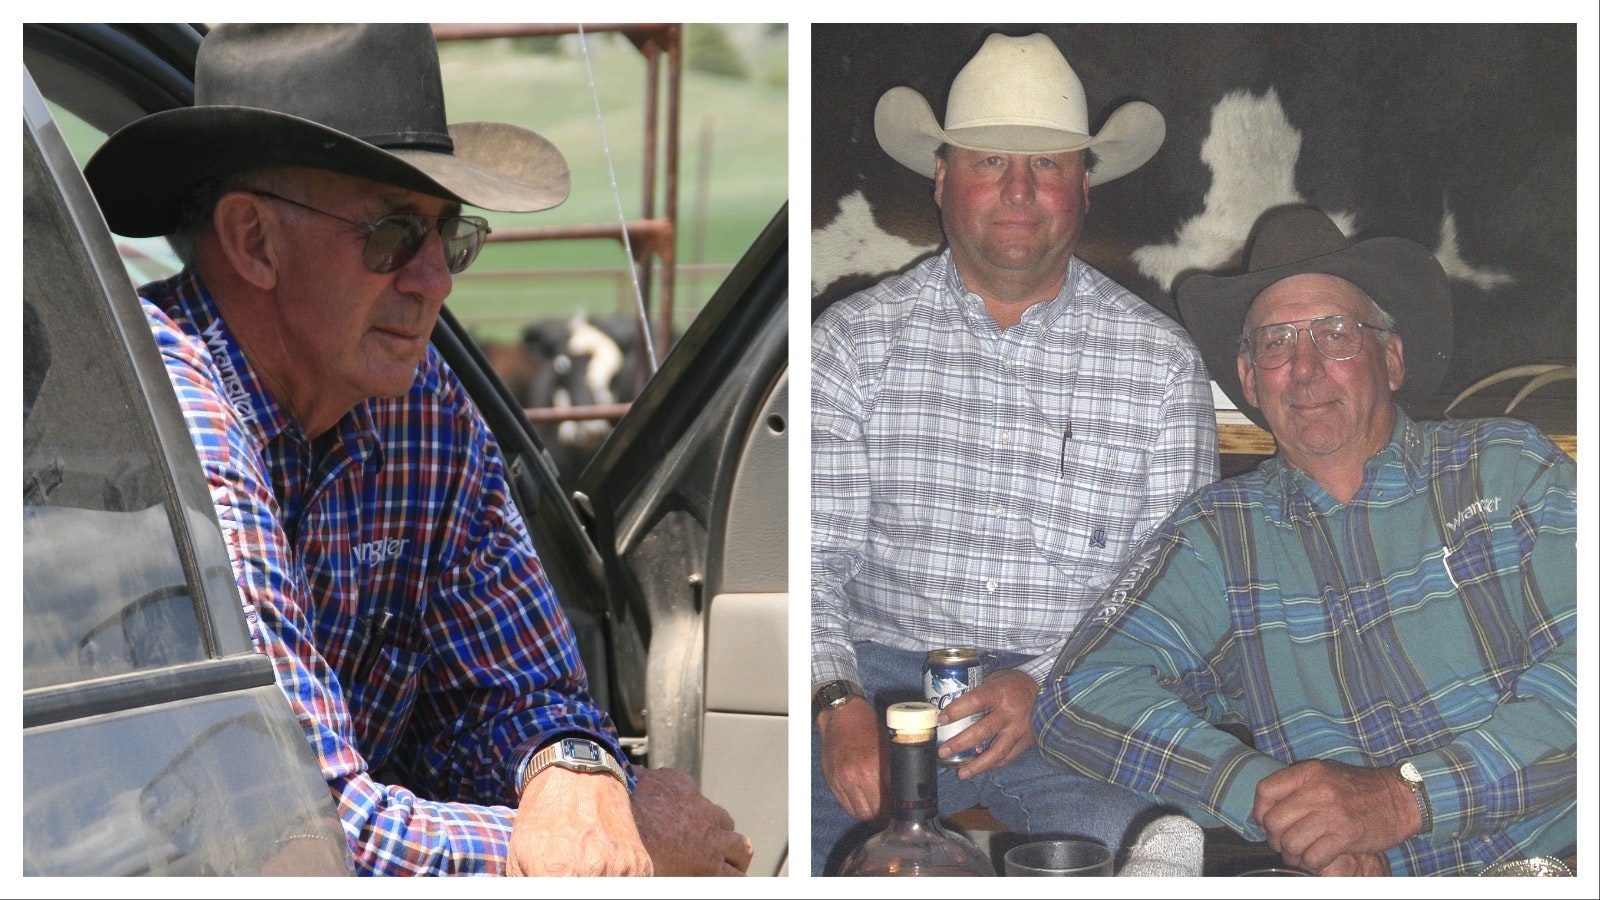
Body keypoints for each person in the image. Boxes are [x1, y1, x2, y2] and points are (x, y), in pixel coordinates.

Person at [82, 24, 751, 877]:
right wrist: (619, 843)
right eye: (394, 233)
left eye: (449, 235)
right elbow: (298, 832)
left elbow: (524, 692)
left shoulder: (418, 404)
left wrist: (572, 771)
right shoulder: (173, 418)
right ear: (253, 241)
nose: (434, 279)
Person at [1035, 205, 1577, 876]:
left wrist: (1405, 801)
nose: (1305, 366)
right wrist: (1281, 805)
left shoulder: (1506, 469)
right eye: (1275, 341)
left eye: (1335, 333)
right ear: (1249, 381)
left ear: (1393, 358)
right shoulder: (1221, 536)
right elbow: (1078, 697)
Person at [811, 31, 1220, 874]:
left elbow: (1173, 587)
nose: (1021, 190)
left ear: (1084, 187)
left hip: (1079, 689)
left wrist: (1052, 685)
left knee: (1155, 843)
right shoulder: (849, 347)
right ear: (942, 177)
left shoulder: (1160, 364)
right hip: (881, 683)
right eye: (991, 162)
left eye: (1049, 166)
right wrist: (836, 701)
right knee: (819, 849)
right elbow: (814, 557)